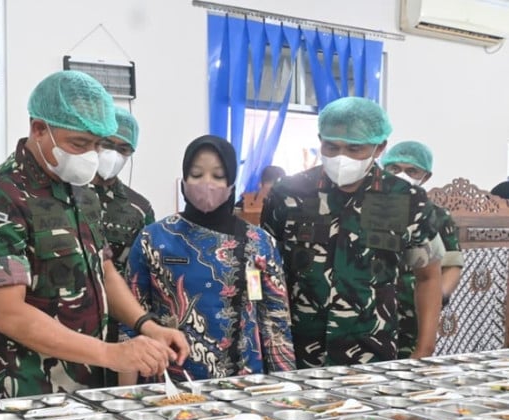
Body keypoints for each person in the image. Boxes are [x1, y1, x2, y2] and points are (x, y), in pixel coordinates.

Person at [0, 70, 188, 401]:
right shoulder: (0, 197)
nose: (90, 156)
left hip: (88, 380)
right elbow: (8, 312)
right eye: (79, 144)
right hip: (24, 388)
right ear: (39, 129)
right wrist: (111, 354)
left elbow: (104, 270)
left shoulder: (81, 191)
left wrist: (147, 325)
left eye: (97, 144)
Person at [261, 97, 443, 367]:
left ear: (379, 147)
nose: (340, 157)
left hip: (372, 353)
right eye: (331, 147)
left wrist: (424, 348)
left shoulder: (407, 199)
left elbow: (428, 276)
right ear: (320, 139)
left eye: (355, 149)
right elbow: (262, 271)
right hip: (295, 352)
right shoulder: (288, 193)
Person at [125, 135, 295, 381]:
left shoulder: (258, 242)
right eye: (196, 174)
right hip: (168, 385)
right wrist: (127, 394)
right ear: (183, 179)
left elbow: (275, 321)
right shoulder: (154, 239)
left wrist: (285, 387)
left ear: (231, 182)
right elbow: (131, 319)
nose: (206, 183)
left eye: (218, 176)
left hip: (245, 384)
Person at [90, 107, 155, 385]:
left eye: (124, 149)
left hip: (122, 326)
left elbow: (145, 273)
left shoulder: (138, 209)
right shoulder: (66, 195)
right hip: (70, 322)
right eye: (107, 144)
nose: (114, 154)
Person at [382, 141, 464, 358]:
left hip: (414, 313)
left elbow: (452, 264)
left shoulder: (435, 215)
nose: (401, 175)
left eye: (411, 171)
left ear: (425, 177)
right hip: (373, 315)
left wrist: (438, 295)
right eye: (394, 169)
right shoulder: (366, 210)